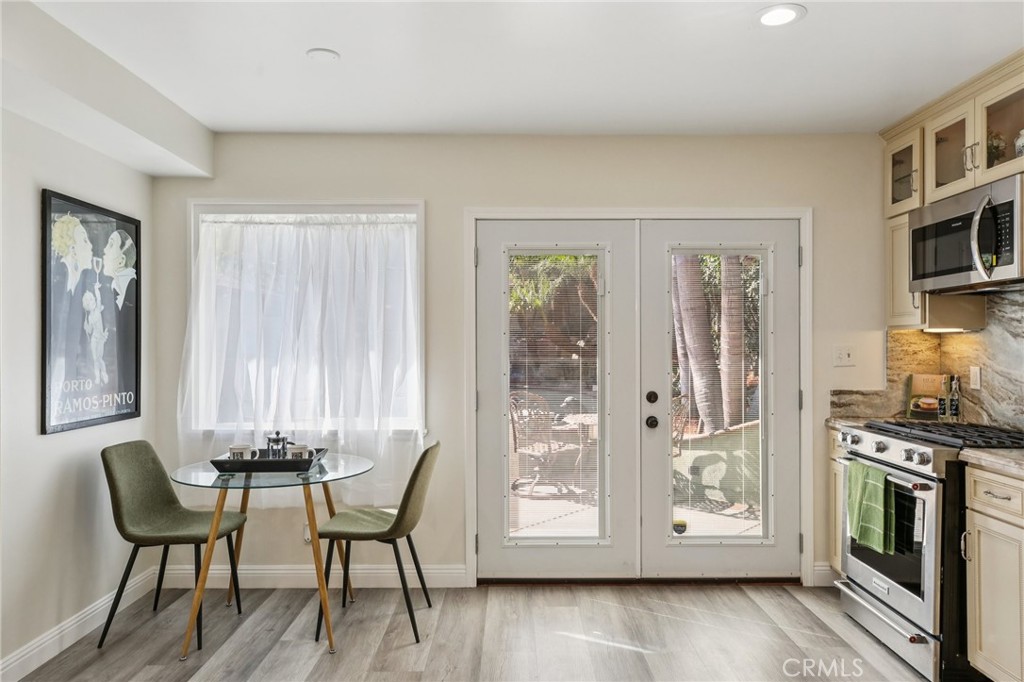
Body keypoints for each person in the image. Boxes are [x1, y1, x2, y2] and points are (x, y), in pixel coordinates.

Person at [102, 229, 137, 310]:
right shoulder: (115, 285)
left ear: (121, 261)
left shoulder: (131, 288)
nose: (105, 250)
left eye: (111, 245)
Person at [82, 284, 109, 385]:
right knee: (95, 359)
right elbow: (90, 331)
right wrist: (86, 327)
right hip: (94, 338)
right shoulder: (89, 317)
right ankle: (97, 377)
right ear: (87, 306)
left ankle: (104, 374)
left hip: (100, 338)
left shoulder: (98, 309)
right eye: (88, 303)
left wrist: (96, 289)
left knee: (99, 358)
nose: (91, 303)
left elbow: (99, 298)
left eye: (92, 300)